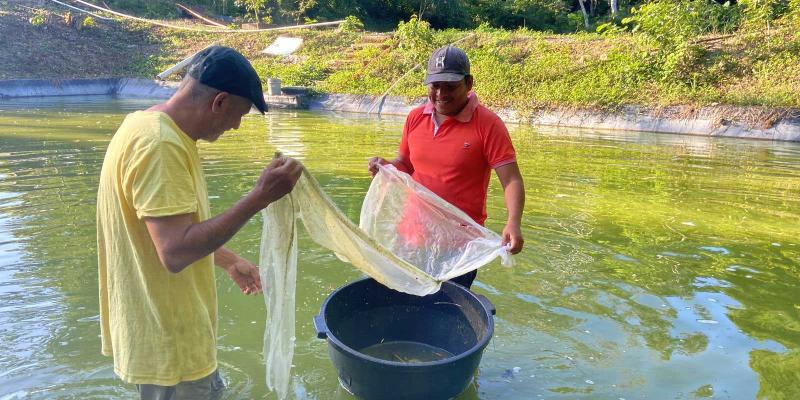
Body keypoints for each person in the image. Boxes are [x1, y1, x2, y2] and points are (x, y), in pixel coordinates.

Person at [96, 46, 303, 400]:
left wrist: (229, 261)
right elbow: (174, 251)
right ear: (219, 102)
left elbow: (162, 233)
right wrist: (259, 197)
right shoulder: (160, 146)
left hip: (164, 336)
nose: (237, 125)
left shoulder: (145, 125)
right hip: (170, 345)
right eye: (238, 114)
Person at [368, 45, 525, 288]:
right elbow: (407, 164)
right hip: (411, 236)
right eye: (435, 85)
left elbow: (511, 179)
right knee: (401, 304)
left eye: (450, 86)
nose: (441, 93)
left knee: (445, 312)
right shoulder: (415, 118)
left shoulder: (488, 125)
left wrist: (513, 222)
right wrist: (386, 167)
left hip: (459, 246)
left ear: (469, 83)